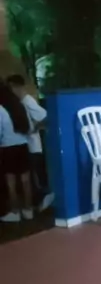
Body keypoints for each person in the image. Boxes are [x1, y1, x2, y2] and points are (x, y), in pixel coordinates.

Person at [7, 75, 54, 212]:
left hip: (34, 146)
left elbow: (46, 117)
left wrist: (33, 128)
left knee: (36, 176)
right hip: (28, 145)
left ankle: (44, 201)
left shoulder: (27, 101)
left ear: (18, 87)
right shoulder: (20, 103)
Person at [0, 80, 34, 222]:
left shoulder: (1, 109)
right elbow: (29, 128)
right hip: (23, 146)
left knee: (11, 183)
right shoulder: (20, 105)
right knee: (26, 181)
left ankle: (15, 213)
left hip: (8, 148)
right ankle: (28, 210)